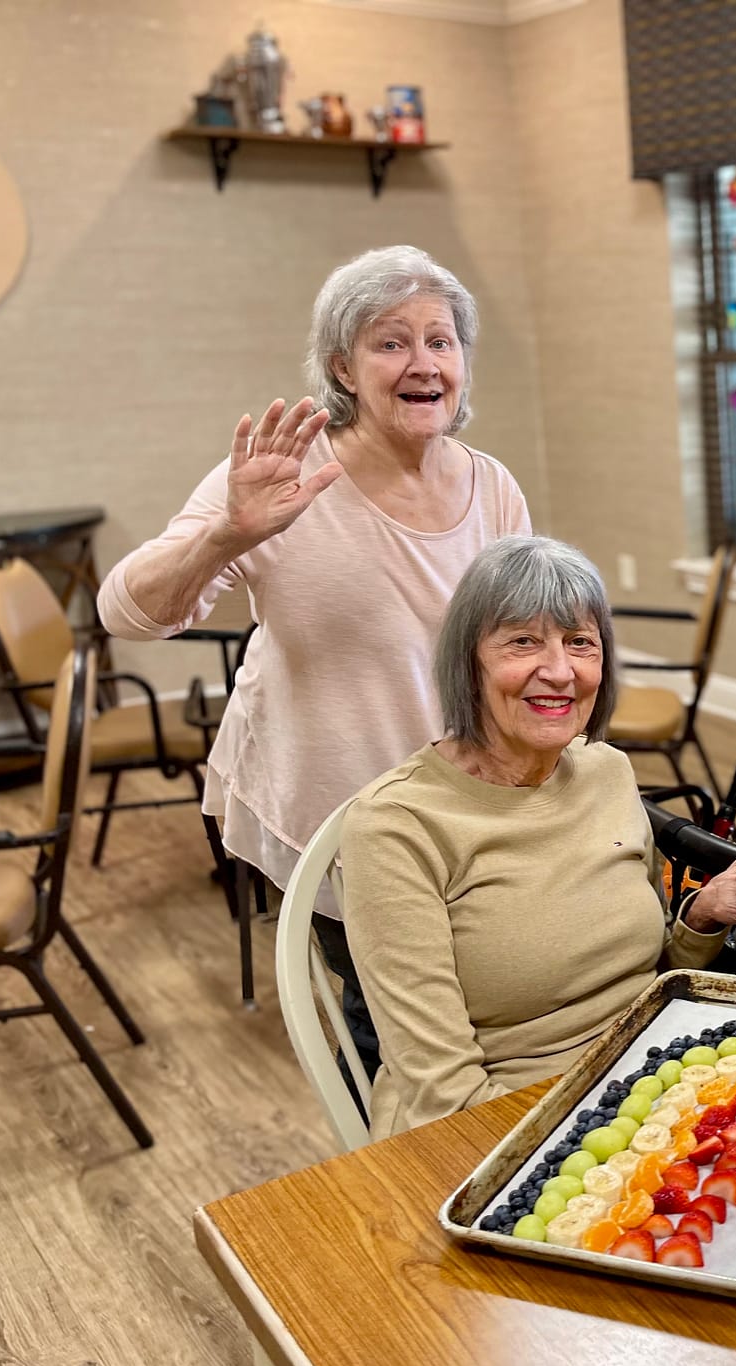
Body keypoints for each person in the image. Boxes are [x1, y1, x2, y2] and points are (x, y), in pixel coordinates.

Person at [98, 246, 529, 1079]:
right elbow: (125, 613)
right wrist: (230, 534)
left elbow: (517, 637)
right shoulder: (283, 481)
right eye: (390, 342)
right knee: (399, 1042)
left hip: (467, 803)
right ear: (342, 364)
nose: (422, 363)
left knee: (489, 1013)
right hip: (341, 806)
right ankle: (408, 1189)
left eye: (441, 341)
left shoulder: (493, 484)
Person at [339, 536, 736, 1140]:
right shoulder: (397, 826)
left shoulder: (606, 768)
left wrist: (704, 916)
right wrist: (607, 1140)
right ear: (466, 662)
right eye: (522, 641)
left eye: (580, 642)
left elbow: (648, 973)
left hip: (656, 1073)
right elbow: (440, 1089)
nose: (559, 671)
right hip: (506, 1120)